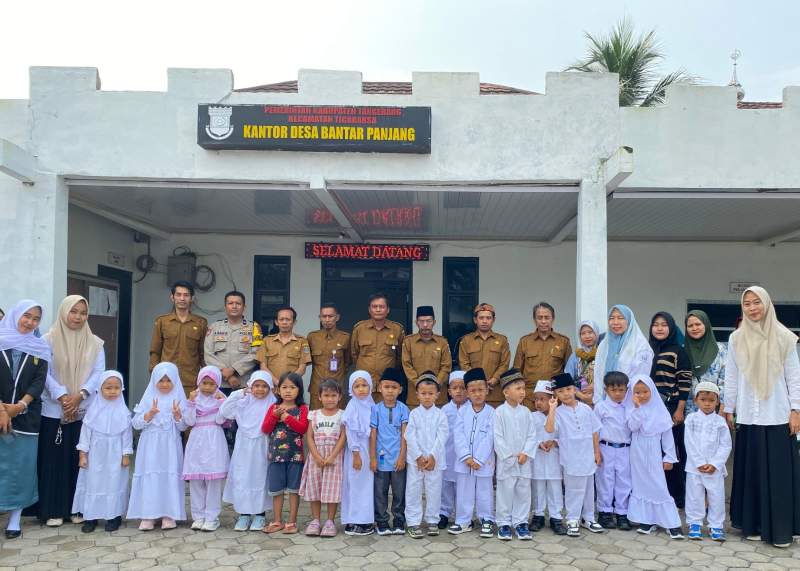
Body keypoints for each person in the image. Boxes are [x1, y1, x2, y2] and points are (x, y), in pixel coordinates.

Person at [724, 286, 800, 548]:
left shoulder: (784, 337)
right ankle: (753, 525)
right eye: (747, 303)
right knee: (752, 473)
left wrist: (796, 410)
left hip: (777, 415)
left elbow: (794, 376)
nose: (752, 308)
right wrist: (729, 407)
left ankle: (781, 530)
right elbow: (732, 375)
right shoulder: (736, 338)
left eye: (757, 302)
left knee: (779, 476)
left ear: (767, 304)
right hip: (748, 415)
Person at [34, 295, 105, 527]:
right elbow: (44, 373)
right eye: (73, 311)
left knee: (80, 461)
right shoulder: (47, 340)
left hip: (84, 410)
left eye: (83, 313)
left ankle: (78, 509)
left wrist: (80, 396)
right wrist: (64, 397)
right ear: (64, 312)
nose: (78, 317)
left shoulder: (96, 343)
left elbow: (98, 373)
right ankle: (53, 510)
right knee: (54, 460)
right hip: (55, 409)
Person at [0, 300, 50, 539]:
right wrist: (2, 410)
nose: (30, 322)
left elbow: (39, 382)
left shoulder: (40, 347)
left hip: (26, 417)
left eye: (36, 319)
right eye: (26, 316)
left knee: (21, 468)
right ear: (16, 314)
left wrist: (19, 406)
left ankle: (15, 520)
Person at [127, 362, 188, 530]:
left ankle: (169, 514)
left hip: (170, 446)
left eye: (168, 380)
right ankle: (149, 514)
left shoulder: (179, 398)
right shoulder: (148, 398)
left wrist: (178, 416)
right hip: (150, 445)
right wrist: (150, 414)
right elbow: (136, 424)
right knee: (151, 475)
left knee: (168, 476)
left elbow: (183, 427)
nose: (164, 384)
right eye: (161, 380)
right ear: (154, 380)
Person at [624, 374, 684, 539]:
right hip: (637, 452)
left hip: (654, 452)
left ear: (652, 391)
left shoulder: (660, 411)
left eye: (645, 391)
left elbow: (667, 436)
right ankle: (647, 520)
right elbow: (633, 427)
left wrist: (669, 457)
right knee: (641, 485)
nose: (641, 395)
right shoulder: (631, 408)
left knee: (659, 485)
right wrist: (637, 408)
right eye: (637, 392)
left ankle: (672, 523)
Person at [72, 371, 132, 533]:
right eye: (108, 388)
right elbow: (85, 434)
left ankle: (114, 517)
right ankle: (90, 517)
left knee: (114, 483)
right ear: (100, 388)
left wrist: (125, 454)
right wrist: (83, 454)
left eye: (116, 388)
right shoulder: (93, 411)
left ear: (121, 389)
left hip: (115, 454)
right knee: (93, 482)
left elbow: (127, 435)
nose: (113, 391)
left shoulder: (123, 412)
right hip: (95, 454)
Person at [545, 373, 603, 537]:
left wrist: (596, 452)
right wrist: (552, 408)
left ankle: (588, 518)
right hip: (571, 457)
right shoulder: (558, 412)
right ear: (555, 394)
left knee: (589, 489)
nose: (566, 393)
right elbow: (549, 430)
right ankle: (572, 519)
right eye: (561, 391)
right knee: (573, 490)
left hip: (588, 455)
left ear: (574, 389)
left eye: (568, 389)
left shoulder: (586, 409)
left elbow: (594, 431)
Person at [218, 370, 275, 532]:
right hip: (243, 447)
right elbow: (224, 411)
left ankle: (260, 515)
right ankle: (244, 514)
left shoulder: (273, 403)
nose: (260, 389)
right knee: (243, 477)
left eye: (264, 386)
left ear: (270, 388)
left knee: (260, 478)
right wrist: (238, 393)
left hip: (263, 446)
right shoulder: (242, 402)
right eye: (256, 385)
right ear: (250, 386)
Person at [648, 311, 692, 509]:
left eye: (664, 324)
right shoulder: (647, 350)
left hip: (671, 407)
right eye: (656, 324)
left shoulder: (678, 351)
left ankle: (676, 496)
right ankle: (656, 493)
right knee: (652, 452)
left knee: (672, 452)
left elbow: (684, 382)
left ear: (672, 328)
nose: (659, 328)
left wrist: (680, 409)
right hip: (650, 409)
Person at [261, 372, 309, 535]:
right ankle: (277, 521)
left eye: (292, 387)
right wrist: (275, 417)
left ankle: (292, 521)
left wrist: (287, 417)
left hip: (295, 457)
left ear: (299, 390)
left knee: (294, 490)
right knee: (277, 490)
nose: (288, 391)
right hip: (276, 456)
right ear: (278, 390)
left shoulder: (303, 408)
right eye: (284, 387)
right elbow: (265, 429)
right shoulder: (273, 408)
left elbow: (303, 429)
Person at [449, 368, 496, 538]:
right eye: (473, 391)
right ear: (467, 393)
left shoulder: (492, 412)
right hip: (464, 462)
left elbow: (490, 437)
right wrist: (467, 457)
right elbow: (458, 434)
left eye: (481, 390)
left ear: (487, 390)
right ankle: (463, 521)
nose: (477, 394)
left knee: (485, 491)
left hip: (483, 462)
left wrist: (478, 459)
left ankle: (487, 519)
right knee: (464, 492)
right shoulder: (462, 411)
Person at [183, 366, 230, 532]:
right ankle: (198, 517)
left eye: (212, 384)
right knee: (196, 481)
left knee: (213, 481)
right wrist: (190, 403)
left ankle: (211, 518)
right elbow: (189, 421)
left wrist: (221, 403)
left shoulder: (221, 397)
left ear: (217, 384)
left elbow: (220, 420)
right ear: (199, 382)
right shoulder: (193, 398)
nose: (207, 387)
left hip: (214, 440)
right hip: (196, 440)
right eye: (204, 383)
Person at [684, 381, 731, 542]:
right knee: (694, 496)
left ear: (717, 402)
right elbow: (689, 442)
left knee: (716, 496)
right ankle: (694, 523)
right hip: (694, 467)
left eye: (711, 400)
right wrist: (698, 462)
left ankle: (716, 525)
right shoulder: (691, 419)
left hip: (714, 469)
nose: (707, 404)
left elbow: (725, 445)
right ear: (696, 400)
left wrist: (715, 464)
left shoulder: (720, 422)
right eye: (703, 400)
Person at [493, 369, 537, 540]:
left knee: (523, 491)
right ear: (506, 392)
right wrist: (509, 456)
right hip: (507, 461)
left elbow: (532, 435)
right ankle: (503, 523)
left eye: (523, 388)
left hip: (524, 460)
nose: (522, 392)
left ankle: (521, 522)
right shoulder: (499, 412)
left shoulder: (526, 412)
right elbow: (497, 437)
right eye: (518, 388)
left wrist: (526, 453)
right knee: (505, 492)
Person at [404, 372, 448, 539]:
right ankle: (413, 522)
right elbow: (409, 436)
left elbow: (442, 436)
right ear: (417, 394)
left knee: (434, 490)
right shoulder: (414, 414)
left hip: (434, 461)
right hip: (416, 461)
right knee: (413, 490)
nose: (427, 397)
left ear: (437, 394)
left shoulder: (441, 415)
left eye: (431, 393)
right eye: (423, 393)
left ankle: (432, 520)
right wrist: (418, 456)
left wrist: (432, 456)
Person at [300, 378, 346, 537]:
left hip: (334, 458)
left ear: (339, 397)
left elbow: (343, 437)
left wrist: (332, 456)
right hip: (316, 458)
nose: (330, 399)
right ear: (319, 397)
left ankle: (330, 521)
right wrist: (316, 455)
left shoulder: (342, 415)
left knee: (332, 489)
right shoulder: (314, 414)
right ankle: (315, 520)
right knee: (315, 488)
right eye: (326, 395)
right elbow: (309, 436)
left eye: (333, 395)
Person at [369, 367, 410, 536]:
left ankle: (399, 520)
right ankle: (382, 521)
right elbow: (373, 434)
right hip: (381, 459)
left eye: (394, 387)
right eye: (386, 387)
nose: (390, 391)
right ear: (380, 388)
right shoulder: (375, 409)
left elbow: (405, 435)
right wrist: (372, 458)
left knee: (399, 492)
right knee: (380, 492)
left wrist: (402, 457)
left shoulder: (403, 409)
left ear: (400, 389)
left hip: (398, 459)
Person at [149, 281, 208, 396]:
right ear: (172, 297)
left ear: (192, 298)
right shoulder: (162, 321)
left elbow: (203, 353)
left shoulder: (200, 323)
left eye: (186, 295)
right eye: (178, 294)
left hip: (191, 381)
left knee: (190, 407)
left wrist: (206, 378)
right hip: (166, 380)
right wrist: (154, 376)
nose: (182, 298)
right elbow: (155, 351)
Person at [513, 302, 572, 410]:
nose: (543, 321)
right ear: (534, 320)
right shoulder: (525, 341)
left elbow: (569, 372)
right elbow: (517, 372)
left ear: (553, 319)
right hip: (530, 398)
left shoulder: (563, 341)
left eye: (547, 317)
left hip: (554, 398)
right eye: (540, 318)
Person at [593, 371, 632, 531]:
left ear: (626, 390)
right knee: (605, 480)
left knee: (624, 481)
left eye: (621, 390)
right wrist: (596, 451)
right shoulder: (601, 407)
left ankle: (622, 513)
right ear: (606, 390)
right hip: (606, 448)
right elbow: (594, 431)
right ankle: (605, 512)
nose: (617, 393)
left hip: (625, 448)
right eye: (613, 390)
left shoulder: (629, 407)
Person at [203, 291, 262, 393]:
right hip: (218, 383)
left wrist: (233, 369)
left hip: (243, 383)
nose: (234, 306)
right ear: (225, 307)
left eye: (238, 303)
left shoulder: (254, 328)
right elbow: (208, 354)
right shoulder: (215, 327)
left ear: (244, 307)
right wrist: (226, 373)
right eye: (230, 303)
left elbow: (256, 354)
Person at [351, 293, 405, 402]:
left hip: (387, 385)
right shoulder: (359, 329)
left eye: (381, 306)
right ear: (369, 309)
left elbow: (400, 356)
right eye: (374, 306)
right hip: (364, 385)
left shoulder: (397, 329)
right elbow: (354, 354)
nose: (378, 309)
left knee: (385, 411)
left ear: (388, 310)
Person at [593, 305, 653, 403]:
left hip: (630, 401)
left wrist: (623, 400)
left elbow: (640, 377)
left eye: (620, 318)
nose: (615, 322)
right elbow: (598, 374)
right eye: (611, 318)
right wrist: (598, 401)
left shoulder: (640, 345)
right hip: (605, 402)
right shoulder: (604, 344)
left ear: (629, 320)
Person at [341, 370, 376, 536]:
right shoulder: (352, 406)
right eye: (357, 386)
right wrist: (356, 454)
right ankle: (354, 521)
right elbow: (350, 432)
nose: (361, 389)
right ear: (351, 389)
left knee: (367, 486)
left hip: (369, 450)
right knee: (355, 484)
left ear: (371, 387)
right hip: (357, 451)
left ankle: (366, 520)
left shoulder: (372, 405)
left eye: (364, 385)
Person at [458, 303, 511, 407]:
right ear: (475, 320)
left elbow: (504, 364)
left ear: (493, 320)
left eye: (488, 318)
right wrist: (479, 382)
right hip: (474, 393)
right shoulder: (466, 340)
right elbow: (464, 364)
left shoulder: (502, 340)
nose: (485, 321)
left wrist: (495, 379)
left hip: (495, 394)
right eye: (481, 318)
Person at [530, 380, 565, 535]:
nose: (538, 403)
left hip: (554, 458)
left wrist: (555, 442)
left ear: (552, 399)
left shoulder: (560, 415)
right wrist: (537, 444)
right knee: (538, 487)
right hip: (537, 457)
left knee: (554, 487)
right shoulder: (531, 416)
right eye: (536, 399)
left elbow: (565, 436)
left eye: (542, 399)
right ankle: (538, 515)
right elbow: (528, 437)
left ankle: (555, 517)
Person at [402, 306, 452, 407]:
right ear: (416, 323)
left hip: (438, 397)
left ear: (434, 322)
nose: (425, 325)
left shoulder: (442, 342)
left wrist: (435, 384)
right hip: (415, 397)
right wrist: (419, 384)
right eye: (421, 321)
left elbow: (446, 366)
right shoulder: (408, 342)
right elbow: (407, 365)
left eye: (429, 321)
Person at [307, 303, 351, 410]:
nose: (327, 319)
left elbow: (348, 362)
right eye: (324, 316)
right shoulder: (312, 337)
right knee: (315, 417)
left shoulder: (346, 338)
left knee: (338, 417)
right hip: (317, 387)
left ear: (337, 317)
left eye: (330, 316)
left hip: (337, 388)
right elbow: (309, 360)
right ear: (320, 318)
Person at [684, 310, 727, 413]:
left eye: (698, 324)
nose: (694, 328)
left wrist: (722, 409)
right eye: (690, 326)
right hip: (689, 411)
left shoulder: (720, 350)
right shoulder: (682, 350)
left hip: (714, 410)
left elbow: (725, 381)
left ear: (706, 325)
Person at [439, 370, 467, 530]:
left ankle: (462, 515)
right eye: (455, 388)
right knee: (446, 485)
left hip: (464, 456)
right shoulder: (444, 410)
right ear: (449, 391)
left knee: (463, 487)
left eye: (462, 388)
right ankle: (444, 512)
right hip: (447, 454)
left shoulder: (471, 409)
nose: (459, 391)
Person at [256, 307, 311, 383]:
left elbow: (302, 368)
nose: (284, 322)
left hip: (292, 386)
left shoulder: (302, 341)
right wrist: (277, 382)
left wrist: (287, 383)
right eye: (281, 319)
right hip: (271, 386)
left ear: (294, 322)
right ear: (276, 322)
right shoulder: (267, 341)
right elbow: (263, 367)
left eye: (288, 319)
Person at [565, 320, 601, 405]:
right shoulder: (576, 355)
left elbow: (608, 375)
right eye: (583, 333)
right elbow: (567, 378)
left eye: (590, 332)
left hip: (600, 398)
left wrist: (595, 386)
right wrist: (581, 395)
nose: (587, 336)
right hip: (579, 400)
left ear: (596, 333)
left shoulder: (602, 353)